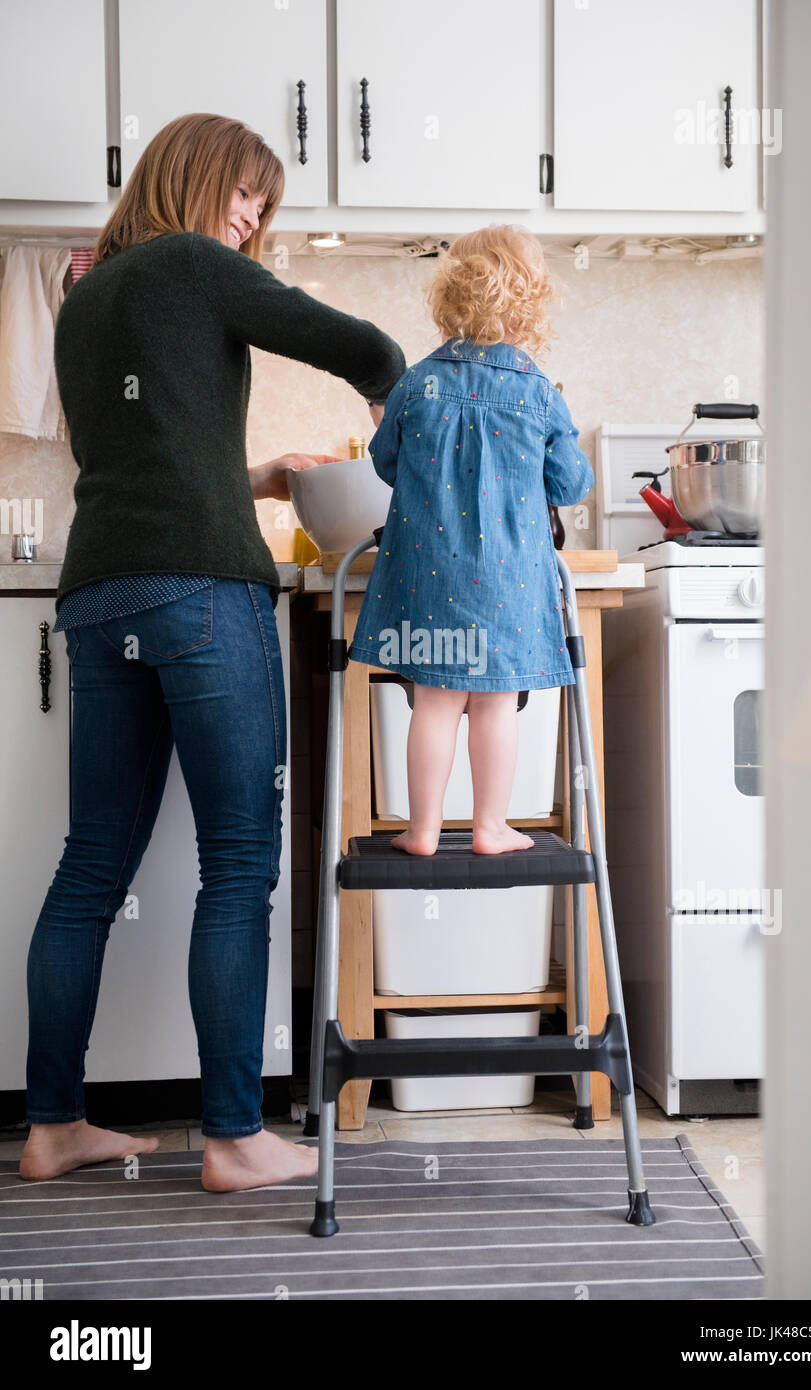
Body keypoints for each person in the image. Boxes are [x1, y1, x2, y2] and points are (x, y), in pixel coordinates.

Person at [19, 113, 405, 1191]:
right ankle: (236, 1135)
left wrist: (253, 478)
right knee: (239, 860)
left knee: (91, 863)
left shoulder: (83, 298)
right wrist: (394, 416)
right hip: (201, 595)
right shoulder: (192, 264)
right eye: (245, 194)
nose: (252, 220)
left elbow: (140, 462)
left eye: (264, 208)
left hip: (101, 598)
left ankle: (52, 1123)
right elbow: (361, 345)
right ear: (192, 177)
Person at [347, 225, 593, 856]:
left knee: (432, 702)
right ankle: (489, 826)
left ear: (450, 297)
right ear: (531, 302)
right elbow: (569, 485)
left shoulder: (417, 381)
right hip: (507, 584)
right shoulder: (538, 392)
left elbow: (385, 461)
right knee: (495, 703)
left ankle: (422, 830)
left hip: (430, 578)